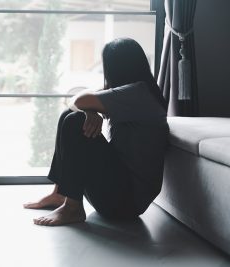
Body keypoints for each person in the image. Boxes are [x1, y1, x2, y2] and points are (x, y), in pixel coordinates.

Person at [23, 38, 169, 226]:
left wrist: (88, 109)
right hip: (120, 193)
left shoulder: (137, 93)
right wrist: (90, 111)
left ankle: (73, 208)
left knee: (75, 120)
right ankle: (60, 195)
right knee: (69, 115)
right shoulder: (136, 90)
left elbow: (80, 100)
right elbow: (74, 102)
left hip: (127, 201)